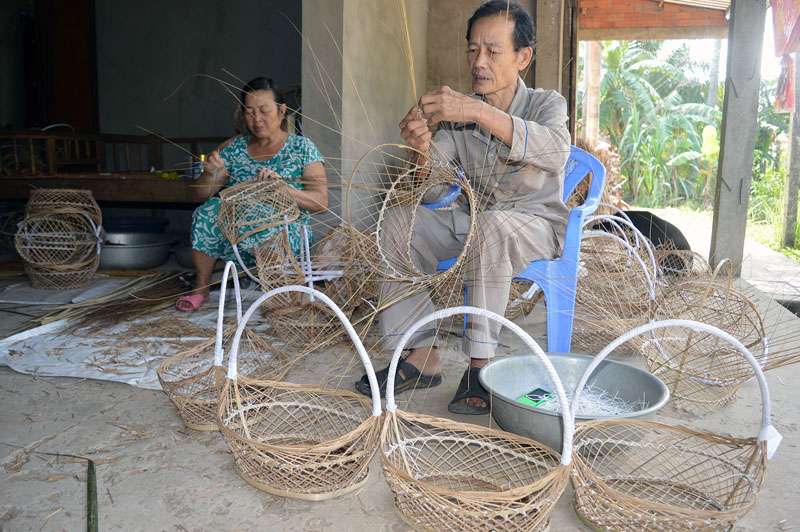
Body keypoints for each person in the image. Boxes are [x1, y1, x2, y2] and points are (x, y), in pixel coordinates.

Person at [355, 1, 571, 414]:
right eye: (473, 50)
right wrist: (419, 151)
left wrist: (476, 109)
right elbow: (434, 192)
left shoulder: (546, 103)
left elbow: (557, 151)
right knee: (400, 223)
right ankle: (419, 355)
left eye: (493, 50)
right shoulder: (457, 120)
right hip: (473, 222)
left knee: (490, 226)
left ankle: (480, 366)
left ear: (523, 57)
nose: (479, 61)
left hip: (534, 224)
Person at [176, 77, 327, 311]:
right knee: (207, 212)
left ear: (281, 111)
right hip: (237, 236)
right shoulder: (235, 149)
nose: (256, 119)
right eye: (249, 112)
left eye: (264, 111)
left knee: (258, 213)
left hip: (287, 232)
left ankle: (277, 288)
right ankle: (201, 286)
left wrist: (283, 190)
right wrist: (210, 174)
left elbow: (321, 202)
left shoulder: (303, 148)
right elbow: (201, 195)